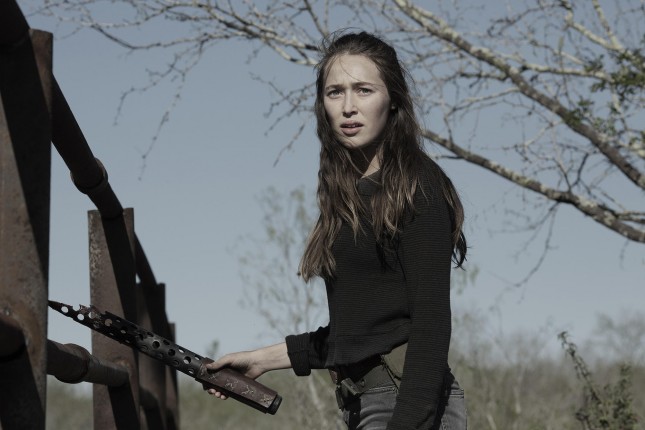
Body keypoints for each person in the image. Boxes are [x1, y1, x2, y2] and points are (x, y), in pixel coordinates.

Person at [206, 30, 468, 430]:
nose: (348, 107)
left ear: (393, 99)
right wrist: (260, 360)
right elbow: (358, 333)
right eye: (335, 92)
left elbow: (431, 324)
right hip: (367, 402)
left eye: (363, 90)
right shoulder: (347, 196)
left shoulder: (418, 187)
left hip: (408, 404)